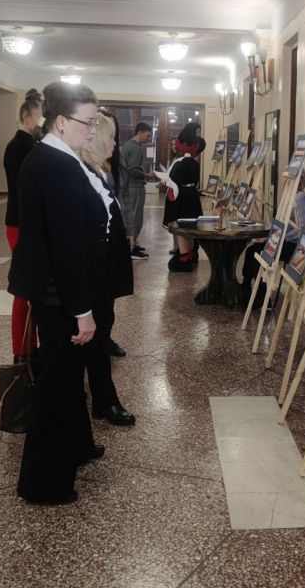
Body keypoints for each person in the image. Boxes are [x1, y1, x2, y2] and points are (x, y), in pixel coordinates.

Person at [9, 81, 108, 506]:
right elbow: (66, 246)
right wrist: (82, 311)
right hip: (58, 293)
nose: (93, 131)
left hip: (52, 287)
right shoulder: (57, 165)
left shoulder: (54, 156)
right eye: (88, 122)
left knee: (68, 379)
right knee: (57, 384)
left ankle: (78, 446)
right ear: (62, 122)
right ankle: (43, 483)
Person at [81, 111, 136, 426]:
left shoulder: (100, 173)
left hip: (105, 271)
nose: (116, 143)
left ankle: (102, 398)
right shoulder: (84, 174)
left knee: (103, 331)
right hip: (93, 274)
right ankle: (104, 398)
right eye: (112, 137)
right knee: (96, 338)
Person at [3, 88, 42, 362]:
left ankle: (31, 346)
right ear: (26, 116)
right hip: (21, 223)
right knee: (24, 288)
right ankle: (22, 350)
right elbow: (25, 191)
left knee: (32, 289)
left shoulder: (30, 145)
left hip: (27, 222)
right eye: (39, 115)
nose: (42, 120)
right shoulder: (20, 147)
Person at [241, 170, 305, 306]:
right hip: (284, 241)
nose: (284, 182)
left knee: (257, 253)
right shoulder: (291, 196)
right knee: (252, 251)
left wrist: (282, 235)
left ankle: (261, 295)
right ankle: (246, 287)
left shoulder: (301, 198)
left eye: (287, 179)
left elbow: (303, 229)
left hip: (293, 245)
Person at [162, 122, 205, 273]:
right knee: (189, 228)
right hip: (190, 197)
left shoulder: (184, 162)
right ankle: (191, 255)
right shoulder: (193, 162)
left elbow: (175, 180)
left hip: (182, 199)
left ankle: (184, 258)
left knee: (182, 229)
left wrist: (165, 180)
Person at [121, 121, 154, 260]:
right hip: (134, 186)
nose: (149, 139)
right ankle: (131, 248)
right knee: (134, 217)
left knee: (132, 216)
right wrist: (147, 175)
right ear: (139, 133)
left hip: (130, 186)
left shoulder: (129, 145)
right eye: (147, 136)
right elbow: (133, 170)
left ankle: (133, 243)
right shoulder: (134, 148)